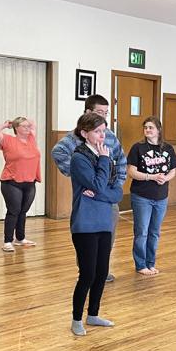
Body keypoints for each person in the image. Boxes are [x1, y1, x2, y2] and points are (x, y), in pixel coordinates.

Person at [52, 94, 126, 283]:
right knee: (87, 240)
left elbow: (121, 160)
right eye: (99, 112)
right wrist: (78, 174)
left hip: (107, 196)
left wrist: (117, 184)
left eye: (106, 113)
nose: (103, 116)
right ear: (87, 112)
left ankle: (102, 270)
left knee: (108, 236)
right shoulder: (75, 137)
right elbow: (57, 152)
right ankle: (86, 271)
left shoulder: (110, 137)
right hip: (88, 198)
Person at [68, 112, 123, 336]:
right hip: (85, 222)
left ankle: (93, 314)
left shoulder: (105, 156)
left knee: (101, 272)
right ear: (85, 133)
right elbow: (98, 185)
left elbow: (116, 191)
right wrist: (103, 163)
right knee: (88, 274)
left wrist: (103, 194)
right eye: (98, 131)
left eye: (104, 131)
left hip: (103, 220)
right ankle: (76, 319)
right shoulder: (79, 158)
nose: (102, 135)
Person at [127, 116, 176, 276]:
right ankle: (141, 265)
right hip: (141, 196)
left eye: (151, 127)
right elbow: (131, 172)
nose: (148, 130)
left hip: (161, 197)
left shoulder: (168, 148)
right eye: (145, 127)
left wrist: (165, 178)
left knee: (154, 232)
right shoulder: (138, 148)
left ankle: (151, 263)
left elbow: (173, 170)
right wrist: (152, 177)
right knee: (141, 232)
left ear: (158, 130)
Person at [0, 117, 42, 252]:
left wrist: (26, 122)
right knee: (14, 211)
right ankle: (7, 241)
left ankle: (20, 238)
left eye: (27, 126)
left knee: (23, 211)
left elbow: (33, 123)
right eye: (23, 126)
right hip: (11, 182)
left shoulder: (31, 138)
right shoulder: (8, 140)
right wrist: (6, 124)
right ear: (16, 128)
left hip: (30, 182)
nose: (27, 128)